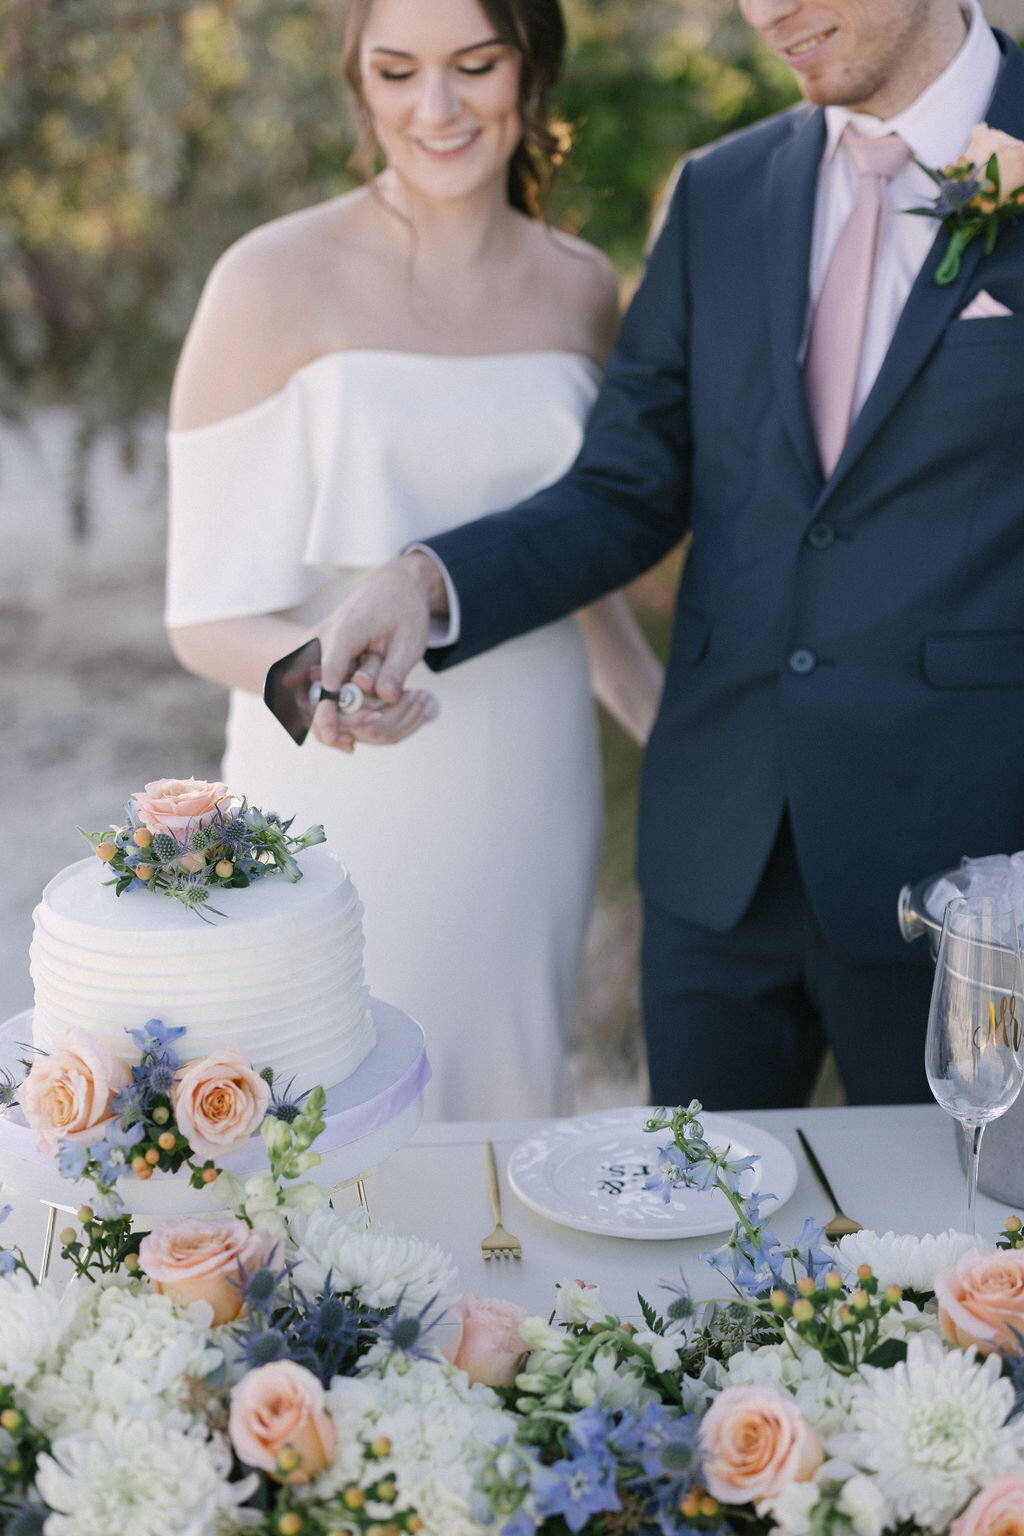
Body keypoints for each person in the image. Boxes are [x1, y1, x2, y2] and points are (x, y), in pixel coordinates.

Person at [311, 0, 1024, 1111]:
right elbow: (625, 489)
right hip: (717, 864)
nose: (768, 12)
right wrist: (426, 580)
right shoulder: (722, 193)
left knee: (961, 1266)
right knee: (693, 1260)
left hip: (969, 865)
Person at [164, 0, 664, 1121]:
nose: (434, 109)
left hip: (534, 781)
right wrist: (324, 683)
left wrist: (686, 738)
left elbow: (575, 559)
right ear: (361, 84)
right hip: (342, 781)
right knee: (326, 1109)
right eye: (396, 72)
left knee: (506, 1112)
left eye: (473, 65)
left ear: (530, 69)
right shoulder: (268, 278)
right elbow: (201, 617)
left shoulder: (583, 284)